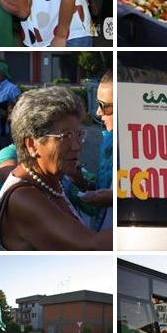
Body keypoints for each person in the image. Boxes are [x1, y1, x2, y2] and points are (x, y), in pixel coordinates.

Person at [0, 86, 112, 250]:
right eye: (65, 136)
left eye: (78, 135)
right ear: (32, 145)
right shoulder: (24, 198)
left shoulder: (52, 181)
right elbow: (91, 247)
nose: (77, 147)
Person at [75, 68, 113, 231]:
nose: (98, 112)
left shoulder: (140, 145)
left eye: (104, 106)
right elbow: (104, 183)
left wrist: (112, 199)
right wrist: (82, 182)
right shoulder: (108, 138)